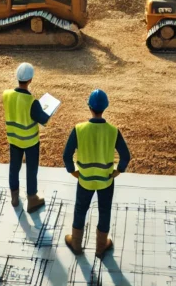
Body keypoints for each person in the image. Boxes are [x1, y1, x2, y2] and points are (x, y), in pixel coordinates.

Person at [63, 89, 131, 259]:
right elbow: (126, 156)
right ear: (105, 107)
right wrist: (117, 171)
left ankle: (76, 244)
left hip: (84, 180)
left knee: (80, 209)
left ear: (89, 106)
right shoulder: (112, 131)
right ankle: (101, 247)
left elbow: (66, 155)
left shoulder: (79, 129)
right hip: (106, 181)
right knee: (104, 210)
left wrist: (73, 172)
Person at [3, 62, 51, 212]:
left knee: (14, 168)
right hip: (30, 142)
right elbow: (43, 119)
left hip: (14, 140)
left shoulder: (7, 95)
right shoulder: (31, 101)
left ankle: (15, 198)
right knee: (31, 170)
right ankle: (32, 200)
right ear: (30, 80)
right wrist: (47, 110)